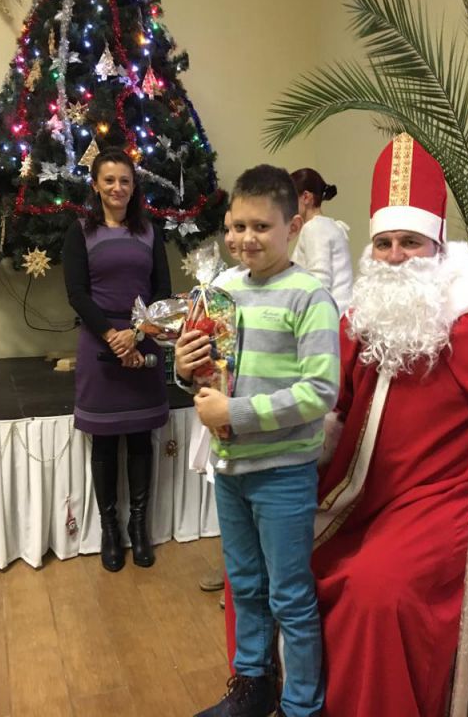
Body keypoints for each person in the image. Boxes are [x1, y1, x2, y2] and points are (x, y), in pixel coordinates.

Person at [311, 133, 468, 717]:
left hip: (446, 500)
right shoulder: (359, 319)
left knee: (376, 590)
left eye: (410, 242)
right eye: (384, 243)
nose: (394, 257)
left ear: (437, 245)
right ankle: (296, 696)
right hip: (362, 491)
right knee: (277, 556)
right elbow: (328, 406)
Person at [175, 164, 341, 717]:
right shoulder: (220, 290)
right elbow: (203, 372)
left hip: (283, 474)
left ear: (293, 226)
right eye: (236, 226)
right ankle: (253, 686)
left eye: (261, 227)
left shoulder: (309, 297)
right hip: (230, 470)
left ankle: (301, 705)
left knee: (289, 594)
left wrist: (236, 413)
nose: (245, 238)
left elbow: (320, 392)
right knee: (244, 584)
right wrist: (184, 369)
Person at [63, 147, 171, 573]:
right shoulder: (80, 232)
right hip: (98, 342)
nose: (117, 187)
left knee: (141, 438)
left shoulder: (150, 232)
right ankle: (110, 531)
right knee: (105, 441)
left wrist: (137, 334)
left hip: (143, 340)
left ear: (133, 185)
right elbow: (76, 293)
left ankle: (139, 528)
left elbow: (162, 290)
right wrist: (111, 336)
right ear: (95, 185)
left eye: (124, 180)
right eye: (109, 180)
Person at [196, 209, 246, 598]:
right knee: (226, 494)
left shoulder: (298, 290)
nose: (233, 237)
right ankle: (233, 574)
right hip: (219, 407)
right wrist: (188, 366)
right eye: (227, 229)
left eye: (243, 227)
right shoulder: (217, 286)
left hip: (255, 418)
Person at [290, 168, 353, 315]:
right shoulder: (332, 226)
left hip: (327, 320)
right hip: (338, 316)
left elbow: (319, 282)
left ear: (306, 197)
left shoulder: (314, 228)